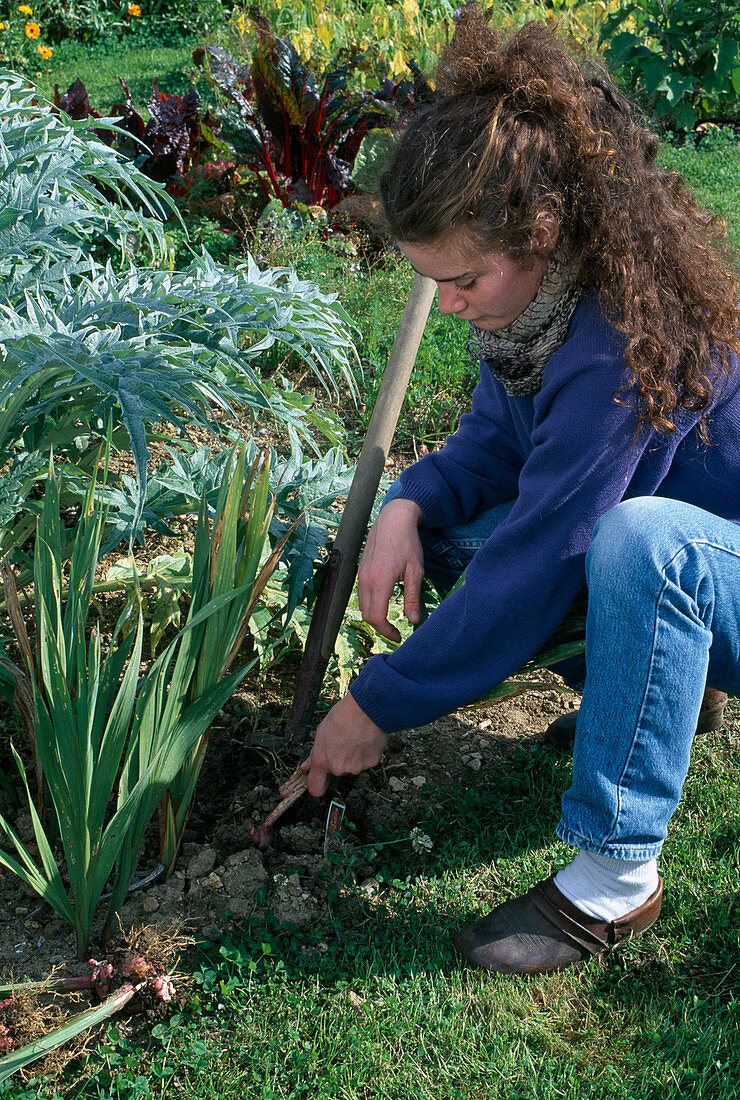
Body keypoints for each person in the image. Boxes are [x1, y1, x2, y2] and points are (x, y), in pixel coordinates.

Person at [301, 5, 740, 975]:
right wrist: (406, 501)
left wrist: (373, 703)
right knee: (458, 534)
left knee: (638, 542)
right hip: (718, 559)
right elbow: (492, 450)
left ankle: (614, 879)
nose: (448, 304)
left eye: (460, 280)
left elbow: (546, 551)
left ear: (540, 228)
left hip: (722, 562)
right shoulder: (535, 308)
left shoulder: (618, 341)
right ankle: (671, 689)